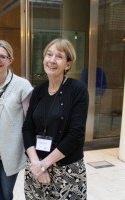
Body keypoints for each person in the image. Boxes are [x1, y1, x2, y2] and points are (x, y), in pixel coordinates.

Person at [22, 38, 89, 199]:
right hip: (35, 167)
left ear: (68, 64)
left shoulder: (77, 89)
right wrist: (36, 164)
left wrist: (44, 165)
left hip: (67, 171)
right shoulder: (38, 90)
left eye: (59, 56)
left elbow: (76, 134)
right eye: (49, 55)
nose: (52, 60)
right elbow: (27, 128)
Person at [0, 40, 33, 200]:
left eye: (3, 56)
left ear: (10, 60)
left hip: (10, 151)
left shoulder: (22, 86)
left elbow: (30, 121)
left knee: (6, 195)